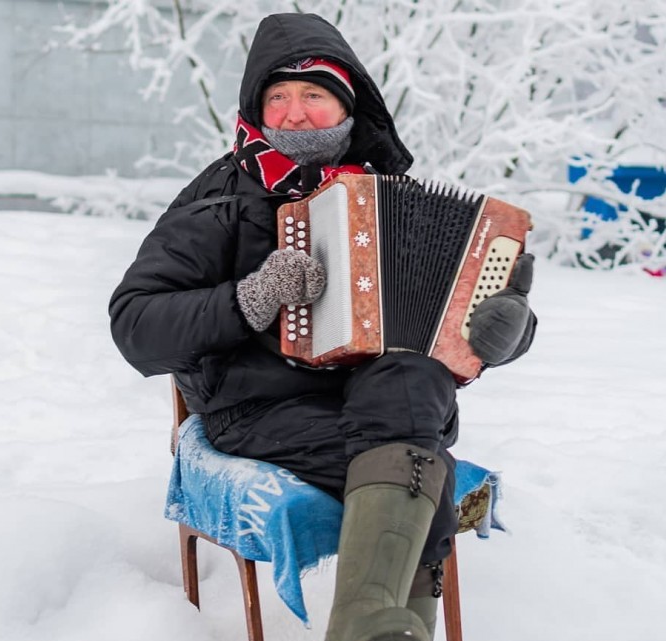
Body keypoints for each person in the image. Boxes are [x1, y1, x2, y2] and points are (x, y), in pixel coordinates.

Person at [109, 12, 536, 641]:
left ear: (346, 105)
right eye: (276, 96)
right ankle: (380, 628)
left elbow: (450, 314)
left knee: (413, 382)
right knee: (425, 465)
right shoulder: (220, 201)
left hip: (382, 399)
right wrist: (252, 298)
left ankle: (368, 627)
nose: (293, 112)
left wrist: (505, 335)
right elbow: (134, 322)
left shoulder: (389, 193)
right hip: (256, 408)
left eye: (313, 94)